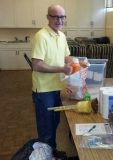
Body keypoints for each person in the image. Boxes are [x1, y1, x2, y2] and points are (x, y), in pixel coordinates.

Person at [31, 4, 88, 149]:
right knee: (46, 130)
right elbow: (36, 65)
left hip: (58, 87)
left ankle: (52, 153)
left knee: (54, 123)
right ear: (48, 17)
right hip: (44, 90)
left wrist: (77, 63)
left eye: (62, 17)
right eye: (55, 16)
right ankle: (46, 154)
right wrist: (61, 69)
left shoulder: (61, 35)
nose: (59, 20)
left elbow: (66, 57)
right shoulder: (41, 36)